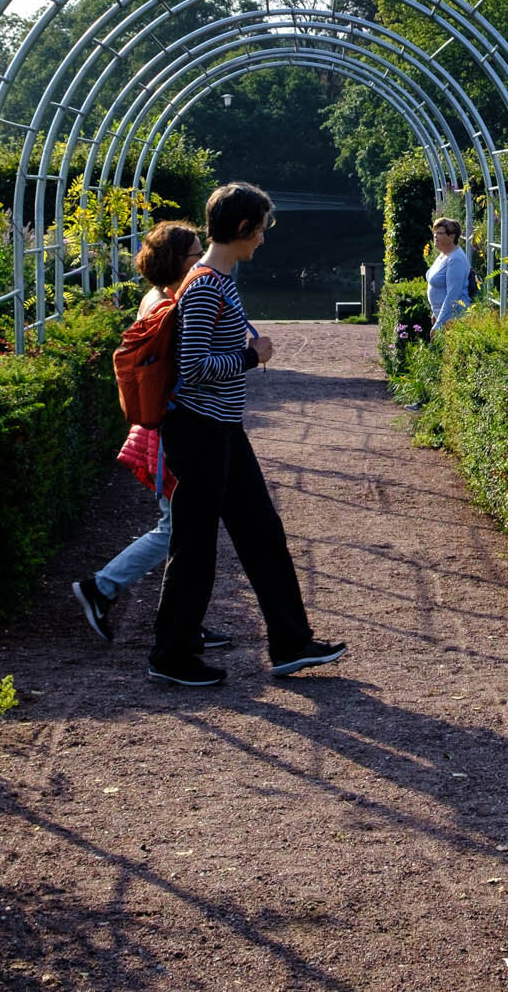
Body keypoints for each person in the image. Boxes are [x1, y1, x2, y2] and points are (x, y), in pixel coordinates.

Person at [147, 182, 347, 687]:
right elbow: (192, 368)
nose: (264, 238)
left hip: (221, 430)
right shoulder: (208, 284)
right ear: (241, 229)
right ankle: (171, 656)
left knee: (262, 534)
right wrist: (249, 356)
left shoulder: (216, 279)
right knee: (195, 546)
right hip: (201, 431)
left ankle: (290, 642)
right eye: (260, 229)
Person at [71, 221, 229, 653]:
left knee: (183, 527)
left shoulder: (156, 297)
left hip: (157, 426)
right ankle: (101, 588)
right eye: (196, 253)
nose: (203, 259)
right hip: (169, 428)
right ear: (179, 260)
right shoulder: (169, 306)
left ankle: (186, 619)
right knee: (175, 526)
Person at [426, 216, 471, 330]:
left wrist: (439, 323)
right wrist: (435, 314)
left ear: (451, 237)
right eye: (435, 233)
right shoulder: (443, 255)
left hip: (453, 319)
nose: (435, 236)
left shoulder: (456, 259)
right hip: (443, 317)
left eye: (440, 233)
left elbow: (452, 295)